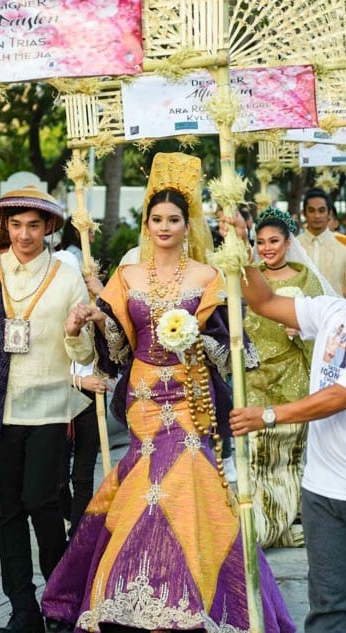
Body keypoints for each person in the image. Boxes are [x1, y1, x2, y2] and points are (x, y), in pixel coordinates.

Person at [40, 153, 294, 633]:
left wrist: (198, 340)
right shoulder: (126, 277)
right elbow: (115, 348)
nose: (164, 226)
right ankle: (131, 597)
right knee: (142, 490)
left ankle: (199, 600)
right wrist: (93, 321)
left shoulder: (208, 277)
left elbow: (235, 351)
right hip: (142, 399)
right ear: (147, 223)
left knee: (183, 489)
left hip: (190, 396)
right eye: (156, 219)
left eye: (173, 219)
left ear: (186, 223)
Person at [227, 218, 346, 633]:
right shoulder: (334, 311)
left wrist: (269, 414)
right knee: (329, 608)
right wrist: (239, 250)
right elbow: (262, 302)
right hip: (323, 491)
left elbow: (340, 397)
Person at [0, 185, 95, 633]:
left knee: (42, 503)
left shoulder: (67, 276)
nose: (24, 235)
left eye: (34, 226)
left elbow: (83, 351)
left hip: (50, 408)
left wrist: (75, 329)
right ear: (5, 226)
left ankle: (59, 598)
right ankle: (22, 608)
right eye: (16, 225)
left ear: (48, 229)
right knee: (6, 510)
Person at [243, 207, 326, 548]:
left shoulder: (306, 278)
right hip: (255, 374)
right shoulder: (250, 277)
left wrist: (303, 331)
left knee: (288, 455)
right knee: (256, 453)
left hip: (292, 372)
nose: (267, 248)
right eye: (260, 242)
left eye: (274, 241)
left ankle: (289, 518)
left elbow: (325, 326)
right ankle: (261, 522)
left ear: (288, 242)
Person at [296, 187, 346, 294]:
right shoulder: (295, 246)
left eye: (321, 210)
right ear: (304, 213)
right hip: (301, 309)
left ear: (329, 214)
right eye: (311, 210)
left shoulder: (344, 246)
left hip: (337, 309)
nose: (317, 216)